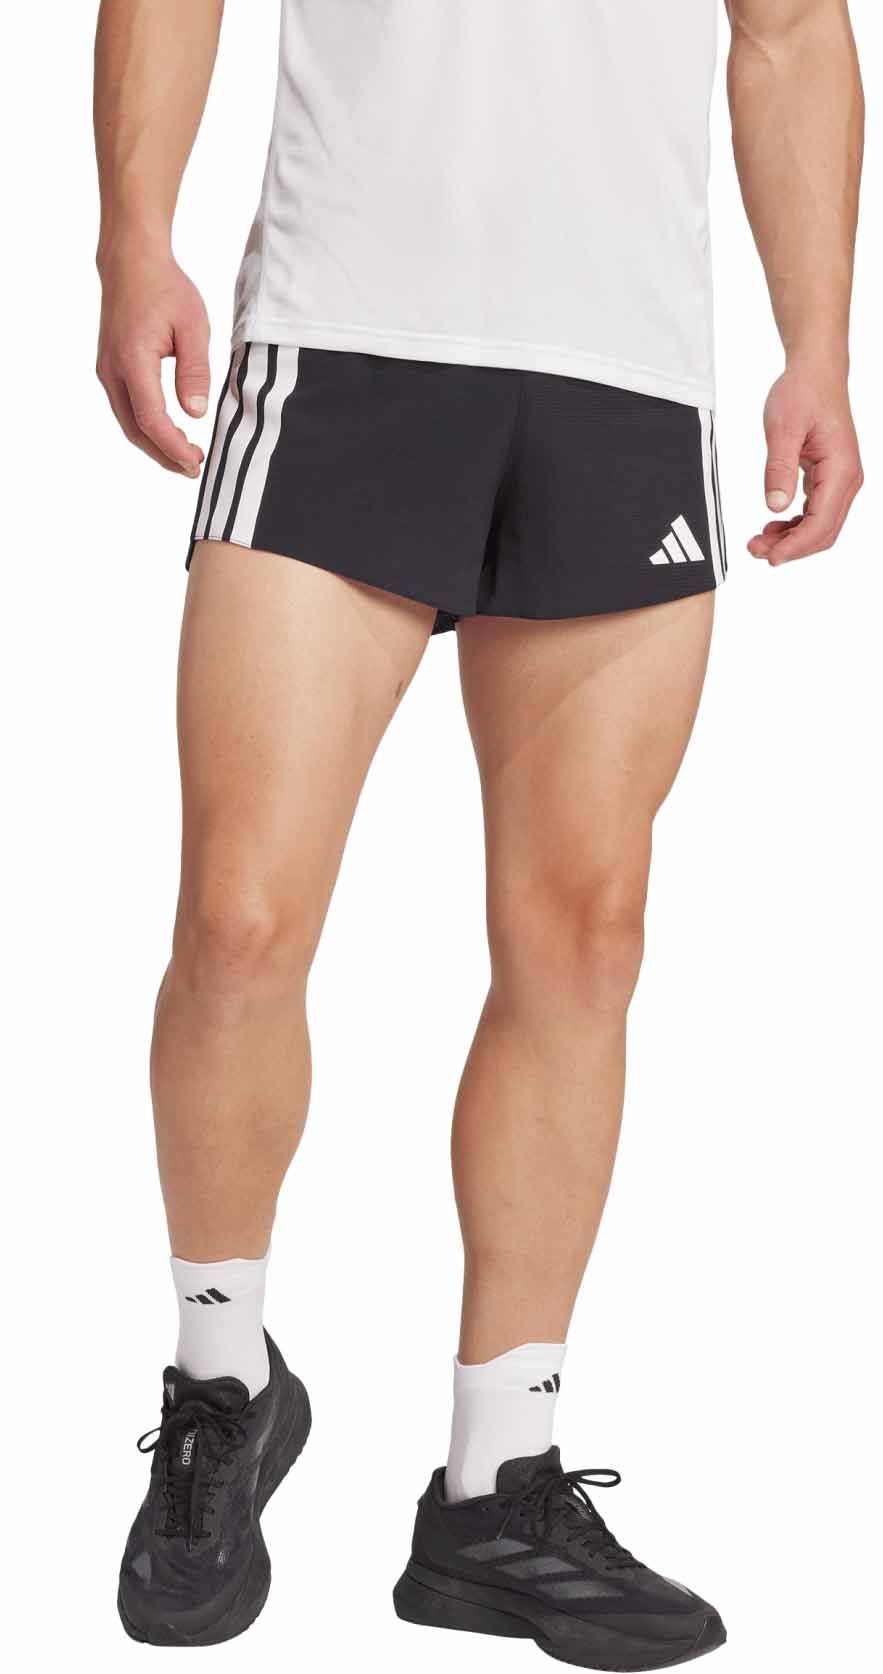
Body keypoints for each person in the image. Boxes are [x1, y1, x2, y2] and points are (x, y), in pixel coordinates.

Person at [95, 0, 863, 1662]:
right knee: (237, 914)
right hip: (343, 333)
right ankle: (223, 1381)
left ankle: (496, 1483)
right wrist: (134, 236)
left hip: (622, 361)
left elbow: (793, 30)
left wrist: (820, 342)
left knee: (583, 938)